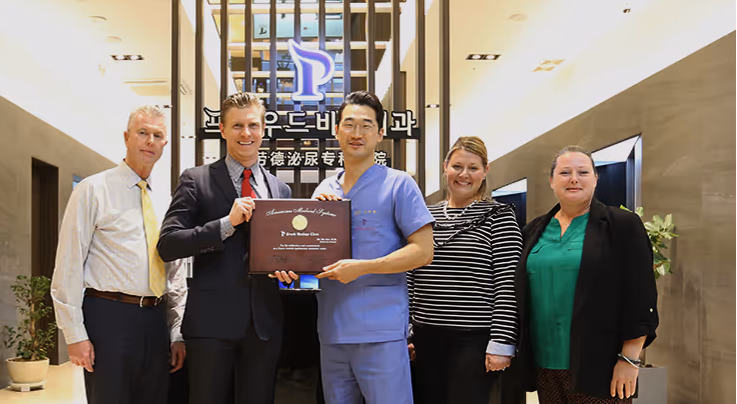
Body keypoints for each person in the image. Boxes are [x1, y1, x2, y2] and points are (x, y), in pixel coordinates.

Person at [274, 91, 434, 404]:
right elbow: (315, 267)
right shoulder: (324, 189)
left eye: (366, 125)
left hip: (380, 332)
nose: (356, 133)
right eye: (348, 124)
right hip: (332, 331)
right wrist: (288, 274)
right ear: (336, 131)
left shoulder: (399, 184)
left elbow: (424, 251)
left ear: (380, 133)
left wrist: (363, 267)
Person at [157, 92, 292, 404]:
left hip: (264, 324)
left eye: (253, 125)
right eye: (237, 126)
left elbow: (283, 251)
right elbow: (168, 244)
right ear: (222, 129)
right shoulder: (196, 179)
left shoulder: (280, 189)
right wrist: (225, 224)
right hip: (211, 325)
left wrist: (289, 268)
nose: (246, 133)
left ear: (263, 129)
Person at [51, 105, 187, 404]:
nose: (150, 141)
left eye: (157, 135)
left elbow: (175, 273)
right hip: (109, 316)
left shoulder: (165, 202)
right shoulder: (92, 190)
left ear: (165, 143)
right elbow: (69, 264)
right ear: (127, 137)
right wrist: (75, 334)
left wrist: (176, 331)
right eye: (142, 132)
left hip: (156, 319)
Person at [515, 146, 659, 403]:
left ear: (595, 179)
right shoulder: (533, 230)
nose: (574, 179)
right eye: (565, 173)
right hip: (544, 363)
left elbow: (641, 295)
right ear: (551, 180)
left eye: (583, 172)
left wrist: (629, 359)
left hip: (601, 365)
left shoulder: (622, 225)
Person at [407, 136, 521, 404]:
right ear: (445, 167)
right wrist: (406, 331)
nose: (464, 175)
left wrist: (502, 341)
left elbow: (508, 284)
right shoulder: (424, 216)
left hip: (474, 340)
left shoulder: (500, 217)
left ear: (485, 171)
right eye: (457, 166)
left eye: (473, 168)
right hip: (424, 336)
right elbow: (409, 276)